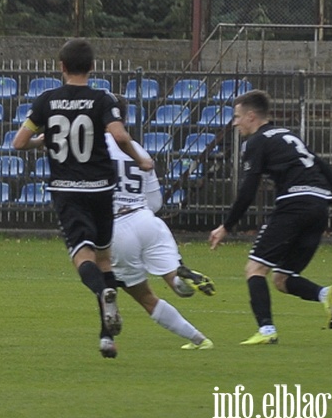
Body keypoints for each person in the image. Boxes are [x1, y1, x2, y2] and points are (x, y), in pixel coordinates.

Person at [13, 39, 153, 358]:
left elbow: (19, 143)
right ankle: (107, 338)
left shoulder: (46, 101)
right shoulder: (102, 99)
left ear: (61, 67)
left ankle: (103, 292)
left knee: (82, 257)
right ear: (92, 67)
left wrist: (42, 141)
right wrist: (139, 160)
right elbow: (118, 135)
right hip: (102, 188)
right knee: (104, 259)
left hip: (66, 188)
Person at [209, 89, 332, 344]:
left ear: (251, 116)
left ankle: (266, 331)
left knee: (255, 269)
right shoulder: (287, 135)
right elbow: (322, 165)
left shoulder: (256, 142)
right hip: (319, 207)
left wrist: (226, 226)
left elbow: (248, 189)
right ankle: (324, 294)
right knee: (282, 279)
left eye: (238, 116)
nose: (235, 122)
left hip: (294, 204)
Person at [106, 97, 215, 353]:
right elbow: (155, 201)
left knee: (145, 297)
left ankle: (199, 339)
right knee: (170, 275)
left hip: (117, 227)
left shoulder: (92, 149)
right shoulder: (138, 149)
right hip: (147, 220)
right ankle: (178, 277)